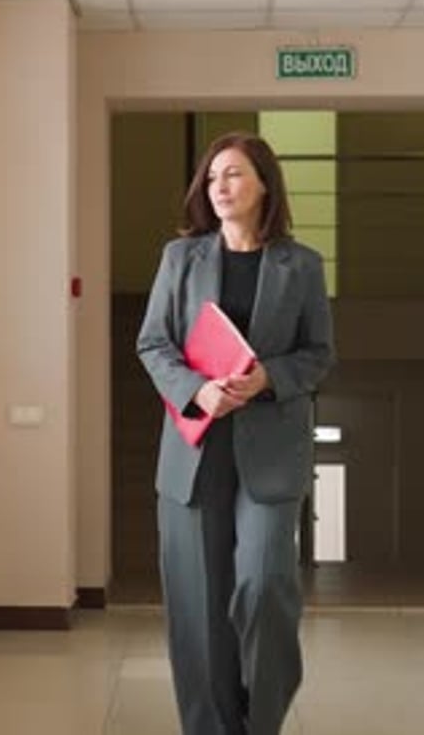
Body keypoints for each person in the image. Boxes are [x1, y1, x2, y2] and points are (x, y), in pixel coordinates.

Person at [136, 131, 334, 735]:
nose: (220, 187)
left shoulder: (300, 265)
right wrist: (197, 390)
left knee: (266, 583)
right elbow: (153, 343)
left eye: (235, 175)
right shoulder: (181, 258)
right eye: (213, 177)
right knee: (197, 606)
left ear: (265, 185)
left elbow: (318, 354)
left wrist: (268, 378)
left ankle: (262, 717)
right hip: (195, 450)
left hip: (271, 451)